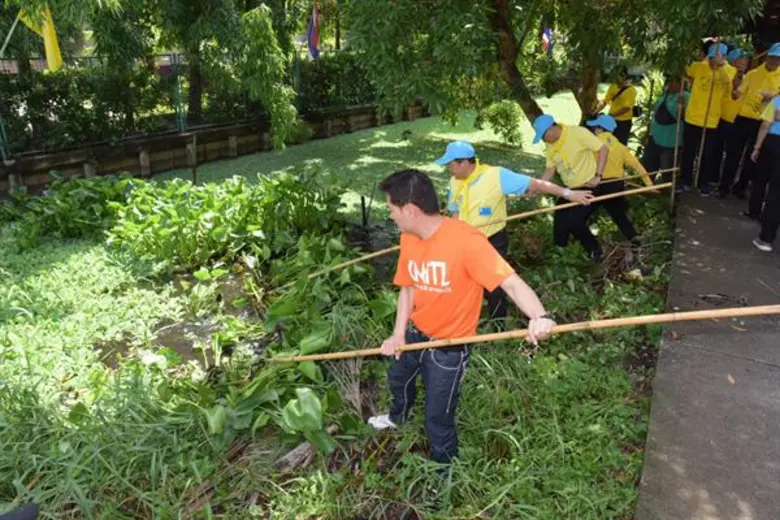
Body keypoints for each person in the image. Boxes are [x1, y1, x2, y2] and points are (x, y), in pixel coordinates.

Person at [366, 169, 556, 465]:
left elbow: (511, 283)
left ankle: (446, 472)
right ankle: (398, 417)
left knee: (437, 418)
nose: (390, 215)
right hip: (416, 332)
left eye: (391, 208)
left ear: (411, 210)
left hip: (449, 348)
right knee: (398, 379)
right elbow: (407, 288)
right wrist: (398, 333)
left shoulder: (467, 241)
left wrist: (540, 315)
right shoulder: (409, 238)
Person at [434, 141, 593, 322]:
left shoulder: (496, 176)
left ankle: (498, 324)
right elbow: (455, 211)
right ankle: (465, 320)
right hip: (465, 241)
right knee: (462, 281)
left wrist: (569, 194)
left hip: (491, 240)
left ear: (464, 163)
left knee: (495, 286)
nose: (449, 169)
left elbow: (537, 184)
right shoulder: (455, 182)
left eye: (451, 164)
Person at [533, 114, 609, 262]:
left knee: (575, 221)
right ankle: (560, 253)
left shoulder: (577, 133)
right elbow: (550, 170)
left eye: (543, 136)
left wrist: (598, 175)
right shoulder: (550, 145)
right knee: (560, 216)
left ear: (552, 128)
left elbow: (603, 149)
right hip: (570, 190)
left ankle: (595, 251)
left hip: (589, 186)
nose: (543, 140)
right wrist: (537, 187)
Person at [719, 42, 780, 201]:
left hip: (762, 122)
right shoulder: (753, 74)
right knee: (733, 153)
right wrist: (735, 88)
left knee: (752, 157)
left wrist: (772, 97)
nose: (774, 61)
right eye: (772, 57)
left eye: (778, 59)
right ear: (767, 57)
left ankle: (741, 186)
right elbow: (736, 94)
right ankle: (724, 186)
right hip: (743, 118)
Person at [585, 114, 652, 246]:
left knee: (581, 213)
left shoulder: (593, 144)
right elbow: (637, 165)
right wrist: (649, 184)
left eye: (594, 127)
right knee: (618, 214)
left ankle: (582, 241)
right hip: (616, 185)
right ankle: (633, 238)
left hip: (599, 185)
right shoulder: (621, 147)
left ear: (600, 128)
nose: (593, 129)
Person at [679, 42, 736, 195]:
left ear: (724, 57)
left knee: (707, 154)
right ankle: (685, 181)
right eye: (711, 58)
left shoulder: (730, 70)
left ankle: (703, 183)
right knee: (689, 153)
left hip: (711, 120)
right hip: (693, 117)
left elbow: (727, 81)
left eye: (716, 58)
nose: (712, 61)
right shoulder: (700, 67)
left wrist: (721, 65)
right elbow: (685, 70)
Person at [713, 48, 751, 185]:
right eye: (741, 59)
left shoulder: (748, 78)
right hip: (722, 117)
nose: (744, 62)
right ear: (733, 61)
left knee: (733, 154)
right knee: (716, 150)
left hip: (738, 120)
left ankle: (726, 182)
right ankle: (713, 178)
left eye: (746, 59)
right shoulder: (727, 73)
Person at [749, 94, 780, 252]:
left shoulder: (777, 101)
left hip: (774, 144)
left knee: (765, 184)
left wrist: (756, 147)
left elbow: (765, 125)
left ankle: (766, 238)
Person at [641, 76, 689, 176]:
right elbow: (655, 116)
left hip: (670, 141)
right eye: (668, 82)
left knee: (667, 170)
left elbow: (683, 116)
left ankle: (666, 190)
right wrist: (647, 134)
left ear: (681, 84)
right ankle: (649, 189)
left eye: (673, 82)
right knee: (648, 166)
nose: (669, 85)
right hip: (654, 138)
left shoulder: (685, 95)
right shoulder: (664, 95)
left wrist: (682, 106)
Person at [595, 67, 637, 145]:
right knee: (608, 143)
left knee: (620, 145)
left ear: (624, 76)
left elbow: (626, 108)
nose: (615, 80)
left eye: (617, 77)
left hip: (623, 123)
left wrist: (611, 115)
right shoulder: (613, 86)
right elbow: (605, 101)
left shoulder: (631, 90)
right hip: (611, 121)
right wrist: (596, 111)